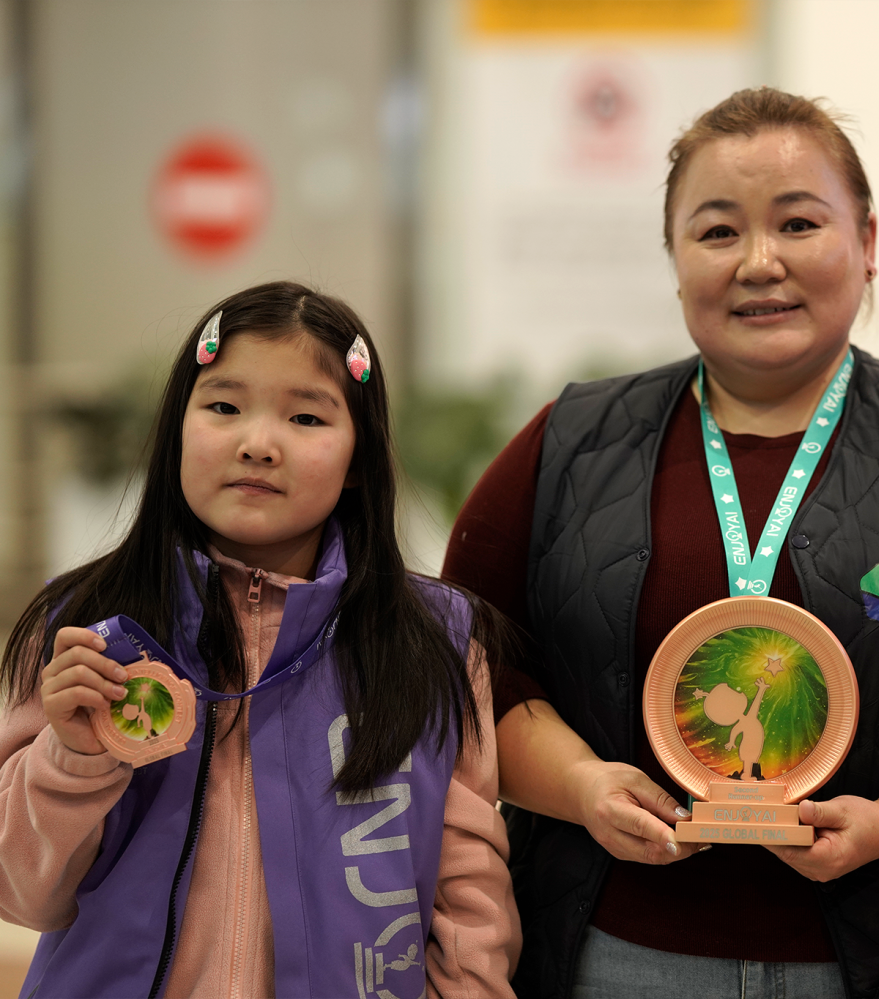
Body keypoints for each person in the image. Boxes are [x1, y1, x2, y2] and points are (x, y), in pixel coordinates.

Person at [443, 87, 879, 998]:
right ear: (675, 260)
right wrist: (583, 785)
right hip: (615, 957)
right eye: (718, 232)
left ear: (867, 242)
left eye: (798, 223)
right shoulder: (572, 441)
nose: (759, 262)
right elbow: (468, 657)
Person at [0, 282, 520, 997]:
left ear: (359, 461)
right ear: (177, 429)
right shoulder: (84, 627)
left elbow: (469, 895)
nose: (257, 444)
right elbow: (22, 895)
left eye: (306, 416)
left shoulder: (435, 641)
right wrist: (73, 759)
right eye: (224, 407)